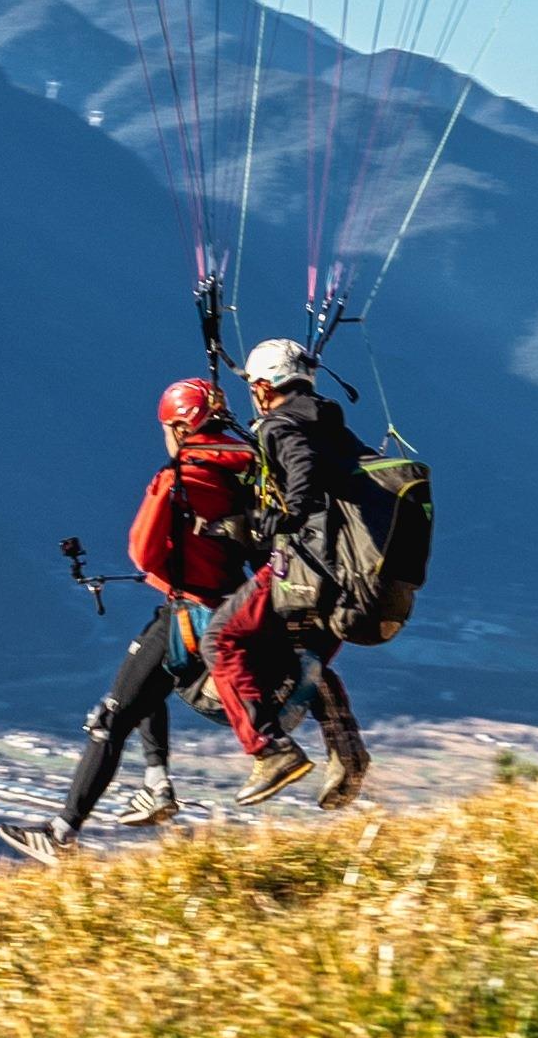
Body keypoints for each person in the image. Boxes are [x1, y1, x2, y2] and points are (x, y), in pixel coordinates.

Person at [29, 377, 268, 846]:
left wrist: (166, 570)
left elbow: (142, 550)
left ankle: (61, 835)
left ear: (181, 427)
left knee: (111, 717)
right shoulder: (245, 465)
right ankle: (156, 784)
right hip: (233, 604)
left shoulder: (177, 476)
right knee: (146, 679)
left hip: (191, 611)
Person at [234, 336, 379, 809]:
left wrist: (277, 518)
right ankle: (347, 748)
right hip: (346, 567)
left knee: (224, 635)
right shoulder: (327, 419)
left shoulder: (280, 426)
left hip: (312, 565)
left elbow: (302, 480)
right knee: (306, 653)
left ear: (262, 385)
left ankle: (270, 749)